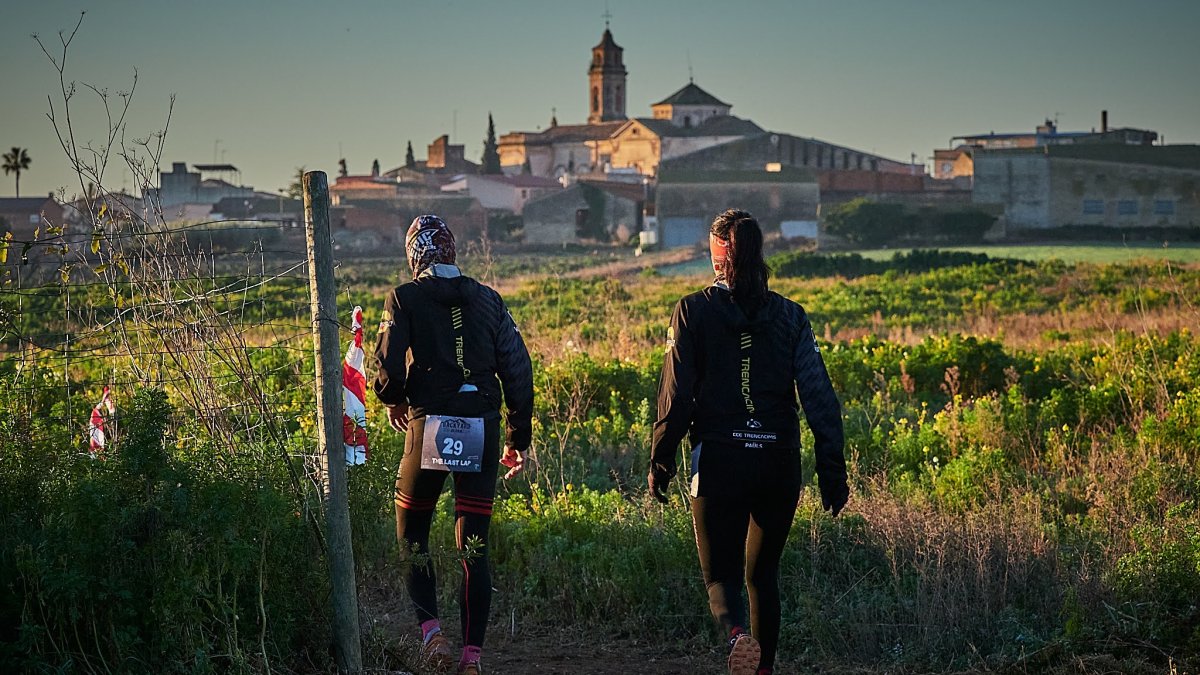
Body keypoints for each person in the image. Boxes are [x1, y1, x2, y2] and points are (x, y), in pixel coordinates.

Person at [649, 209, 848, 675]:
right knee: (763, 577)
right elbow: (820, 399)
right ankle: (761, 670)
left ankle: (738, 638)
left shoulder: (692, 311)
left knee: (721, 578)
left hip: (719, 462)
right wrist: (831, 474)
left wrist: (661, 461)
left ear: (718, 256)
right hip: (778, 464)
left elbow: (675, 398)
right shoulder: (792, 316)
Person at [374, 215, 534, 675]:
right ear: (452, 252)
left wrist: (394, 398)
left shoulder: (403, 298)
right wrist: (517, 436)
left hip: (430, 426)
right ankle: (471, 657)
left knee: (412, 533)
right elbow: (518, 371)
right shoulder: (489, 299)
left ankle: (432, 635)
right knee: (474, 547)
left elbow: (387, 362)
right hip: (482, 427)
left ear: (413, 255)